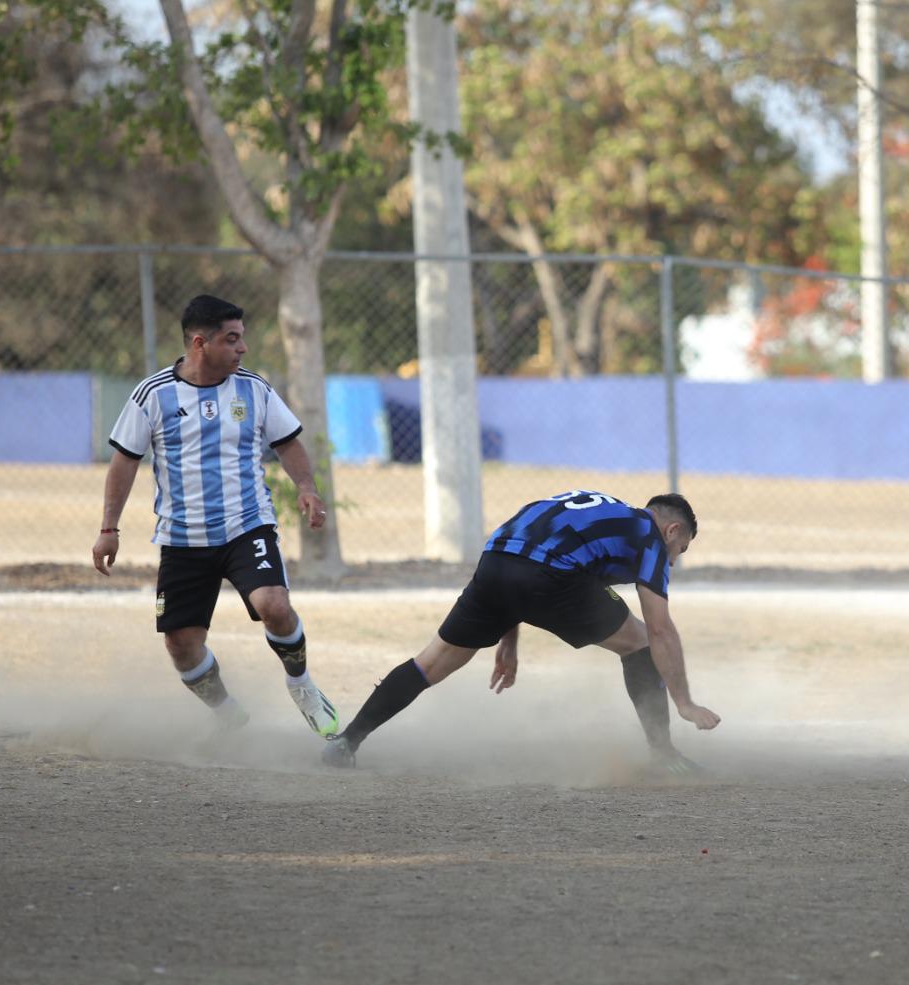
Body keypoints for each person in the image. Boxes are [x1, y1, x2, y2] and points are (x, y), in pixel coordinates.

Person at [321, 490, 720, 772]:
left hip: (494, 562)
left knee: (432, 662)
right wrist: (684, 701)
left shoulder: (600, 510)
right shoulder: (647, 535)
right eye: (679, 550)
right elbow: (661, 628)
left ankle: (347, 741)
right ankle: (664, 755)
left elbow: (523, 549)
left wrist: (507, 637)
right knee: (641, 642)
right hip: (549, 575)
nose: (673, 559)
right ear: (671, 531)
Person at [91, 294, 340, 739]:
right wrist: (109, 528)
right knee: (181, 645)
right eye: (233, 339)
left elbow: (288, 443)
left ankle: (302, 686)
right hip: (183, 539)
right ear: (201, 343)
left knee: (275, 607)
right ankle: (228, 714)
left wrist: (306, 487)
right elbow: (124, 461)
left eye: (242, 338)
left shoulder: (253, 388)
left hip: (246, 525)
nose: (243, 348)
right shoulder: (153, 395)